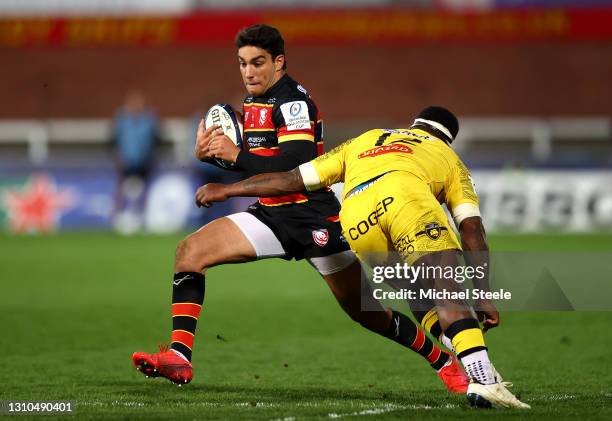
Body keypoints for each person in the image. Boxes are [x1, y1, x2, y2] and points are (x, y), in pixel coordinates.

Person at [132, 25, 469, 392]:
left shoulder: (293, 102)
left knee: (368, 313)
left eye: (258, 63)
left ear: (279, 62)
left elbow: (295, 164)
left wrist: (232, 169)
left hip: (314, 218)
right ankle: (180, 357)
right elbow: (260, 164)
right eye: (242, 63)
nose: (249, 72)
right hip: (272, 215)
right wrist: (215, 157)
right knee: (190, 251)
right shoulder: (254, 103)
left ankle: (442, 360)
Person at [195, 106, 531, 409]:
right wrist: (484, 295)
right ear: (448, 137)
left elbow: (292, 179)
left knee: (416, 292)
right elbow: (472, 230)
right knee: (445, 287)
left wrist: (227, 189)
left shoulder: (366, 139)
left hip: (357, 218)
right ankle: (485, 382)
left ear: (414, 124)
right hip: (405, 200)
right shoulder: (446, 156)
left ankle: (479, 367)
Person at [111, 91, 160, 233]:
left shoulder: (149, 120)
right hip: (126, 162)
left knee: (144, 191)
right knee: (121, 190)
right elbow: (114, 140)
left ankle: (141, 219)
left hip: (144, 162)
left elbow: (156, 140)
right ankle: (117, 218)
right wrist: (118, 157)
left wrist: (152, 157)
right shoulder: (122, 120)